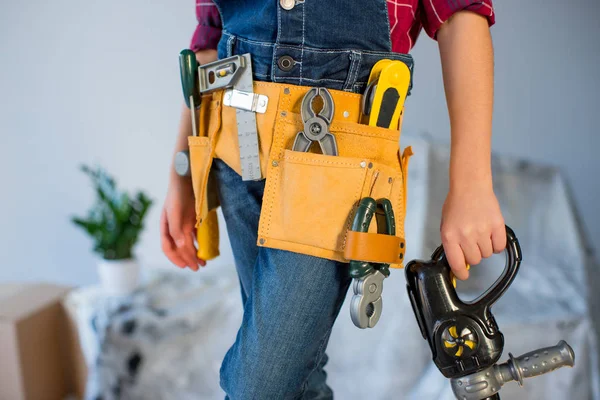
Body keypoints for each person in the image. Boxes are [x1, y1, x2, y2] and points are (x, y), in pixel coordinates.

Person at [160, 1, 507, 398]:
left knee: (260, 385)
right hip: (235, 154)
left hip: (339, 164)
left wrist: (472, 184)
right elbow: (210, 39)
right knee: (299, 382)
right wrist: (183, 173)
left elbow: (460, 14)